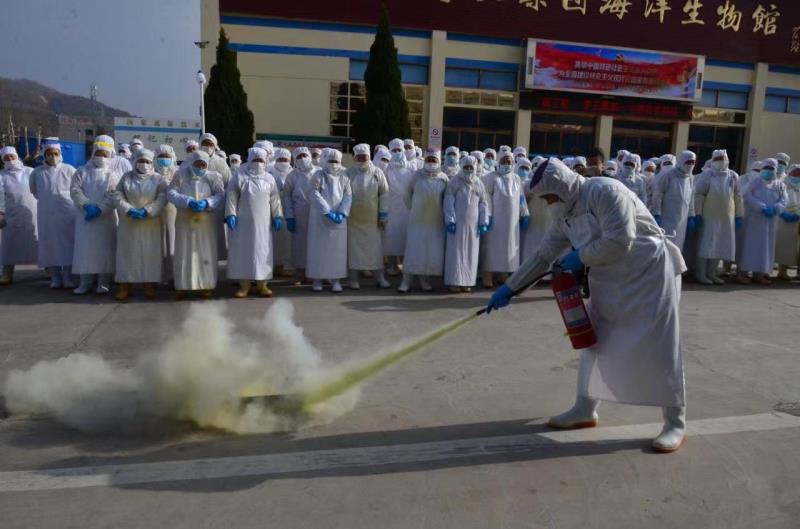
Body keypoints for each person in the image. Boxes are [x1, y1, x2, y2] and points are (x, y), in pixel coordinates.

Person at [485, 158, 688, 453]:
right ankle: (584, 408)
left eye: (548, 196)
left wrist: (579, 257)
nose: (548, 203)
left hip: (648, 275)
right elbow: (543, 255)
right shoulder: (565, 214)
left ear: (561, 186)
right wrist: (510, 287)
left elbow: (620, 240)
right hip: (610, 280)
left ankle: (675, 423)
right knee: (593, 343)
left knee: (662, 347)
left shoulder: (605, 191)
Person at [225, 147, 284, 298]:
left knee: (262, 252)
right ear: (249, 160)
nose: (258, 163)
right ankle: (244, 285)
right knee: (244, 252)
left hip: (264, 224)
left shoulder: (269, 178)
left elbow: (275, 198)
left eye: (261, 160)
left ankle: (262, 284)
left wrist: (277, 216)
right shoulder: (240, 176)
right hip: (243, 224)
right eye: (255, 160)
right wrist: (230, 214)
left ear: (265, 162)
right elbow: (231, 195)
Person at [167, 150, 225, 298]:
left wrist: (207, 202)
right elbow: (171, 193)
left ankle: (206, 285)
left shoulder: (214, 176)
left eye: (203, 165)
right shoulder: (180, 175)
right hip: (185, 220)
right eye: (197, 164)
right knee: (184, 252)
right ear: (191, 163)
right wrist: (187, 201)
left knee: (205, 252)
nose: (200, 167)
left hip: (206, 222)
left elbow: (220, 195)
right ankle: (182, 286)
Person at [70, 138, 123, 294]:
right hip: (85, 217)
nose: (101, 157)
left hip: (106, 218)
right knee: (84, 249)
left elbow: (113, 195)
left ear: (110, 155)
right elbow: (75, 190)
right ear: (93, 153)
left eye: (105, 154)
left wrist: (100, 209)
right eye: (98, 153)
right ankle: (85, 282)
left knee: (105, 249)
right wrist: (86, 205)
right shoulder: (81, 171)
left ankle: (103, 282)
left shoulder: (112, 174)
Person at [113, 148, 167, 300]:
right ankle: (125, 286)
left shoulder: (158, 178)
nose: (144, 164)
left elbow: (163, 197)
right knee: (127, 254)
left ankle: (149, 285)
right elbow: (117, 194)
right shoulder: (126, 177)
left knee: (149, 254)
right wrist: (128, 209)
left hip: (150, 222)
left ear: (152, 163)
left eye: (147, 161)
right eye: (141, 161)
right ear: (135, 161)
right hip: (129, 223)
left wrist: (148, 210)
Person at [398, 148, 449, 293]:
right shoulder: (416, 175)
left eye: (434, 160)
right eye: (429, 159)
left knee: (429, 252)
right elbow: (406, 193)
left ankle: (424, 280)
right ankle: (406, 281)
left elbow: (447, 198)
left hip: (435, 222)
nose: (431, 162)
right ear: (425, 160)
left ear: (439, 161)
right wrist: (414, 208)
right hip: (417, 221)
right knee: (413, 250)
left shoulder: (443, 178)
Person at [29, 138, 76, 289]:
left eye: (55, 153)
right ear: (44, 155)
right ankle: (55, 276)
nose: (52, 156)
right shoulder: (37, 172)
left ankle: (68, 276)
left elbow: (76, 189)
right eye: (49, 154)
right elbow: (34, 190)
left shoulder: (69, 169)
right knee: (49, 244)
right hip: (47, 214)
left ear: (60, 154)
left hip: (67, 212)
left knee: (67, 243)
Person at [693, 149, 743, 285]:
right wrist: (698, 213)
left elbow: (738, 196)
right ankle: (701, 273)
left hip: (727, 216)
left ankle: (712, 273)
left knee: (720, 244)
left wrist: (739, 215)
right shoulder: (707, 174)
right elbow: (699, 195)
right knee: (706, 244)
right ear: (712, 160)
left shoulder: (733, 175)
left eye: (722, 158)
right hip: (709, 215)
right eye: (717, 159)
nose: (720, 161)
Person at [481, 151, 530, 288]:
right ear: (498, 162)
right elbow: (486, 197)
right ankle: (488, 275)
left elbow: (521, 198)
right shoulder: (491, 177)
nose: (507, 164)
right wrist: (488, 215)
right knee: (492, 248)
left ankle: (503, 274)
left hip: (512, 221)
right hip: (495, 221)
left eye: (509, 162)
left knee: (508, 248)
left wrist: (524, 213)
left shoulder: (516, 178)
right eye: (504, 161)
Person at [345, 144, 390, 289]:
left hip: (372, 219)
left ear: (369, 157)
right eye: (358, 157)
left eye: (364, 157)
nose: (361, 160)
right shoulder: (349, 173)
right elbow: (344, 194)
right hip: (354, 219)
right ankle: (353, 279)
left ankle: (380, 278)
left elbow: (384, 194)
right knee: (354, 251)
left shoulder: (377, 172)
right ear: (354, 158)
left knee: (375, 250)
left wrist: (383, 214)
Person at [306, 149, 351, 292]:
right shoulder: (318, 175)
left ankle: (336, 280)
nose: (333, 164)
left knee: (337, 251)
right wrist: (326, 211)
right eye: (331, 161)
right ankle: (317, 279)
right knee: (318, 250)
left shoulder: (344, 177)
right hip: (319, 219)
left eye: (336, 161)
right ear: (325, 161)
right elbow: (313, 193)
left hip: (339, 221)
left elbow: (348, 195)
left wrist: (342, 213)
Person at [738, 158, 788, 285]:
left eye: (771, 168)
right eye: (766, 168)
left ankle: (759, 274)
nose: (768, 170)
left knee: (765, 248)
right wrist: (762, 207)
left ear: (775, 170)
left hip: (770, 222)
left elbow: (784, 200)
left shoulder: (780, 185)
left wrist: (776, 208)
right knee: (749, 247)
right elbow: (747, 196)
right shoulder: (754, 182)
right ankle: (743, 273)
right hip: (754, 220)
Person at [443, 156, 489, 293]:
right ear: (462, 167)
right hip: (457, 225)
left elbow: (483, 203)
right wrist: (450, 220)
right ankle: (454, 282)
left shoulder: (479, 183)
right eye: (466, 167)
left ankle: (467, 282)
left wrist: (483, 222)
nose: (468, 170)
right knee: (456, 253)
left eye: (471, 167)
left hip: (473, 226)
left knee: (471, 253)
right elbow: (448, 201)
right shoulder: (455, 181)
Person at [0, 147, 37, 285]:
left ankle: (48, 267)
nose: (10, 160)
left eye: (12, 157)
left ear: (17, 156)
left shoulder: (30, 171)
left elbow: (39, 189)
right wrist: (1, 212)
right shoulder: (1, 175)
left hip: (32, 211)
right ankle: (7, 272)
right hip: (11, 214)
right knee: (9, 244)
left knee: (37, 242)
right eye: (6, 158)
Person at [651, 150, 697, 253]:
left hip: (682, 221)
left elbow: (691, 199)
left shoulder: (690, 179)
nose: (690, 165)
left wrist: (691, 215)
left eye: (693, 163)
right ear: (681, 161)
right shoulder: (669, 175)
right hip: (667, 218)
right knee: (666, 246)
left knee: (678, 247)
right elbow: (658, 195)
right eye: (688, 162)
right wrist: (657, 213)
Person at [383, 138, 415, 276]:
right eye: (394, 150)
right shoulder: (387, 169)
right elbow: (384, 190)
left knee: (405, 236)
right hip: (391, 208)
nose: (397, 153)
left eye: (399, 150)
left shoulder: (411, 168)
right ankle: (392, 264)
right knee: (391, 237)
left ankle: (404, 264)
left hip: (407, 208)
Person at [199, 133, 231, 262]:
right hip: (198, 205)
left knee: (215, 236)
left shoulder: (220, 163)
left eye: (210, 144)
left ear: (215, 146)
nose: (207, 147)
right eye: (205, 143)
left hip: (217, 206)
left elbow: (229, 184)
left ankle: (215, 266)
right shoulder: (193, 159)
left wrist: (226, 209)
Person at [521, 157, 553, 262]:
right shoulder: (530, 183)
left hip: (548, 221)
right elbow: (523, 199)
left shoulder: (553, 184)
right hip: (533, 221)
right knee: (530, 248)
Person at [154, 145, 178, 285]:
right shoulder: (151, 173)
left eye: (167, 157)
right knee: (157, 244)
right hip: (154, 213)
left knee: (172, 242)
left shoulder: (178, 173)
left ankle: (173, 276)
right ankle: (157, 277)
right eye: (161, 156)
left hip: (173, 212)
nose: (164, 160)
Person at [268, 148, 293, 277]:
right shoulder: (269, 172)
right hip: (272, 210)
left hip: (289, 210)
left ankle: (281, 266)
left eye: (285, 160)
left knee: (286, 241)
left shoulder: (293, 173)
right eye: (280, 159)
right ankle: (269, 267)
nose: (283, 162)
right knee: (272, 240)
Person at [776, 164, 800, 280]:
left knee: (797, 248)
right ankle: (782, 270)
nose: (797, 175)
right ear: (789, 173)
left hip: (798, 218)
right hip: (783, 219)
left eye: (799, 174)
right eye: (795, 173)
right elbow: (776, 199)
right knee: (784, 245)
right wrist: (782, 213)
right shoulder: (782, 184)